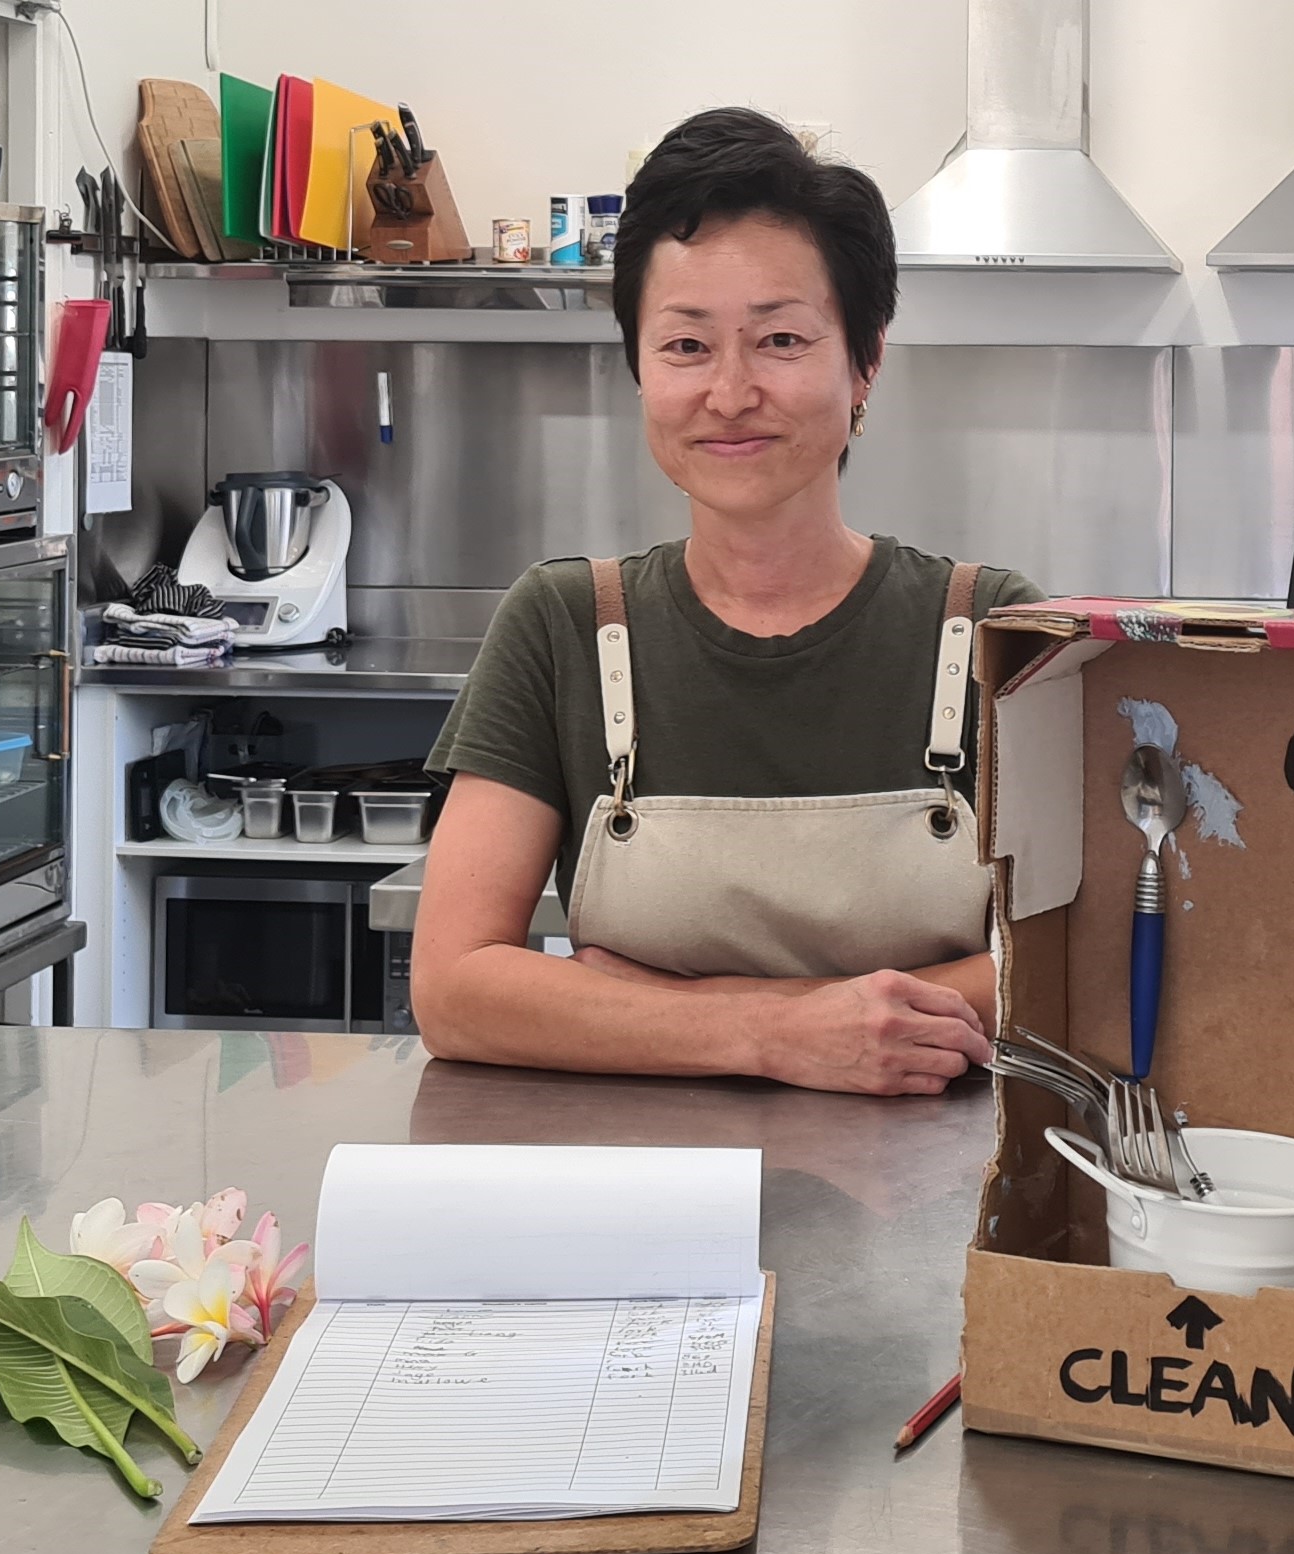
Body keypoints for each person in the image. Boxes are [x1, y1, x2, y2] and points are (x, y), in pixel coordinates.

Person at [414, 110, 1039, 1093]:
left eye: (780, 338)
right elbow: (453, 988)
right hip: (635, 1202)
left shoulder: (995, 630)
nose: (731, 391)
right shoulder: (563, 627)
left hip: (942, 1190)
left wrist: (646, 1007)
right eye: (686, 346)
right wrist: (775, 1032)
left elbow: (1081, 963)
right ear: (637, 367)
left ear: (865, 361)